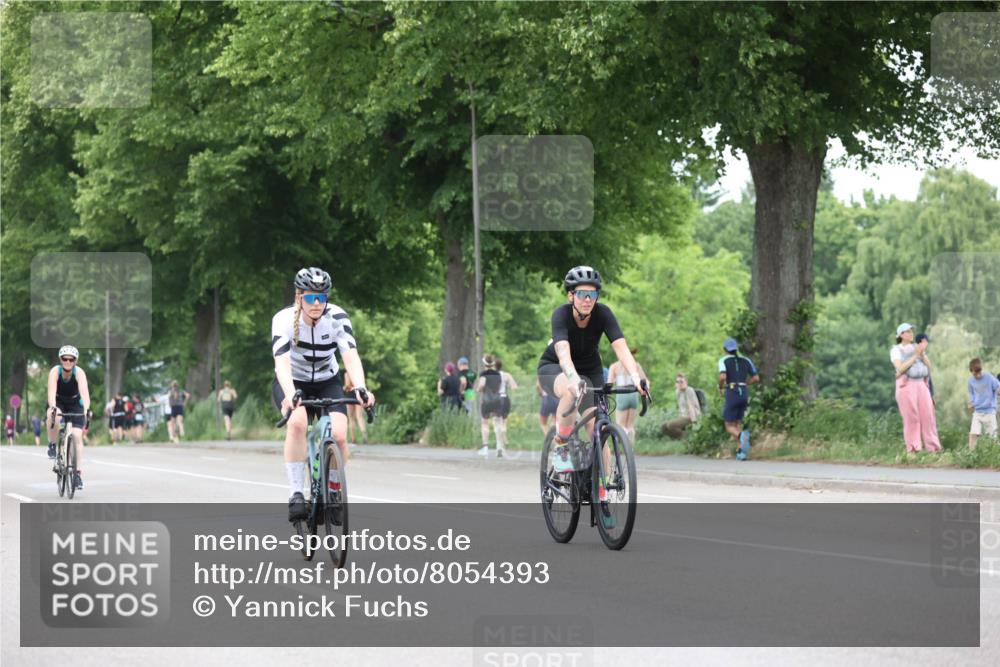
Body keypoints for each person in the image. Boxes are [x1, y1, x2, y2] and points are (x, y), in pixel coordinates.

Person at [537, 266, 649, 527]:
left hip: (591, 370)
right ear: (570, 296)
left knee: (599, 432)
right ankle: (562, 442)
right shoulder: (561, 315)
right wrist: (574, 380)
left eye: (593, 294)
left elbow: (621, 348)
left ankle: (602, 498)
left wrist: (635, 377)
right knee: (570, 388)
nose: (588, 299)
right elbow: (563, 354)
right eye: (582, 293)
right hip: (555, 368)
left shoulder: (603, 314)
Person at [272, 267, 375, 522]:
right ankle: (296, 493)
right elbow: (281, 364)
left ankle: (333, 488)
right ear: (299, 298)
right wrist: (290, 394)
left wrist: (361, 387)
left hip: (328, 380)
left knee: (339, 435)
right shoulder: (283, 320)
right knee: (297, 423)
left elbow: (350, 356)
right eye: (310, 298)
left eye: (321, 297)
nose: (316, 303)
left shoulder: (337, 317)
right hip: (294, 381)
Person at [890, 323, 941, 454]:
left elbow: (929, 366)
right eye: (907, 331)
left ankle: (933, 449)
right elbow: (900, 368)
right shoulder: (896, 350)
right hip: (906, 385)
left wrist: (922, 354)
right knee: (912, 418)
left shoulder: (916, 347)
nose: (911, 333)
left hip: (921, 384)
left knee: (928, 416)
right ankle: (913, 450)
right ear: (901, 335)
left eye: (911, 331)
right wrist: (915, 356)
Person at [46, 345, 91, 490]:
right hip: (58, 401)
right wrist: (53, 407)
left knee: (77, 436)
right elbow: (51, 393)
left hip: (74, 402)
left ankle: (77, 475)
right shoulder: (55, 372)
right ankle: (52, 444)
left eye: (71, 359)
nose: (68, 362)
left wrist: (86, 409)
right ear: (61, 359)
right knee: (54, 415)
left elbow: (84, 393)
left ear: (75, 361)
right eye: (65, 359)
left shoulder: (79, 373)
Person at [718, 338, 760, 460]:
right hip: (744, 393)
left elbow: (722, 376)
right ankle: (741, 452)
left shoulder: (723, 360)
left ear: (725, 349)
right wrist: (746, 383)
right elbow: (756, 378)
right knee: (737, 423)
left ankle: (742, 436)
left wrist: (721, 386)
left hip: (732, 392)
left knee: (729, 425)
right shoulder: (746, 360)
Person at [475, 355, 519, 458]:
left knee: (485, 423)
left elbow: (482, 384)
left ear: (485, 364)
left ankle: (485, 447)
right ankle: (499, 446)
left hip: (487, 400)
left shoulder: (484, 374)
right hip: (498, 400)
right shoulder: (498, 375)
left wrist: (478, 389)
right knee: (497, 422)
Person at [608, 348, 648, 444]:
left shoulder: (614, 366)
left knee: (620, 424)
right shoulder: (636, 365)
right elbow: (645, 381)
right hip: (633, 394)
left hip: (621, 394)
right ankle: (631, 447)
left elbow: (609, 383)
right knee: (630, 425)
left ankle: (622, 446)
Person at [967, 358, 1000, 450]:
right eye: (975, 373)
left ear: (981, 369)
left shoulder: (989, 377)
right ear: (971, 371)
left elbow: (997, 387)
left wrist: (998, 390)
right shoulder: (970, 381)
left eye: (979, 372)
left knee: (992, 437)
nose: (978, 375)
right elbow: (971, 393)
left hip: (989, 411)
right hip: (977, 412)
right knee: (973, 433)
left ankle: (996, 454)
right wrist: (971, 403)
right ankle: (971, 455)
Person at [661, 373, 702, 439]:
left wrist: (694, 421)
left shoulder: (689, 390)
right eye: (677, 382)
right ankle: (678, 438)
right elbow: (681, 407)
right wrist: (679, 417)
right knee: (664, 426)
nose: (679, 383)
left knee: (670, 425)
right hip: (683, 416)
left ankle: (685, 437)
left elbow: (691, 406)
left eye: (681, 382)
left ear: (686, 382)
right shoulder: (678, 392)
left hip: (691, 416)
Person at [343, 371, 367, 445]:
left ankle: (353, 439)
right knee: (359, 416)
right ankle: (364, 435)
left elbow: (347, 386)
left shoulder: (347, 374)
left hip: (350, 395)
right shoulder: (358, 373)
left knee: (351, 418)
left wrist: (344, 387)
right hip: (359, 394)